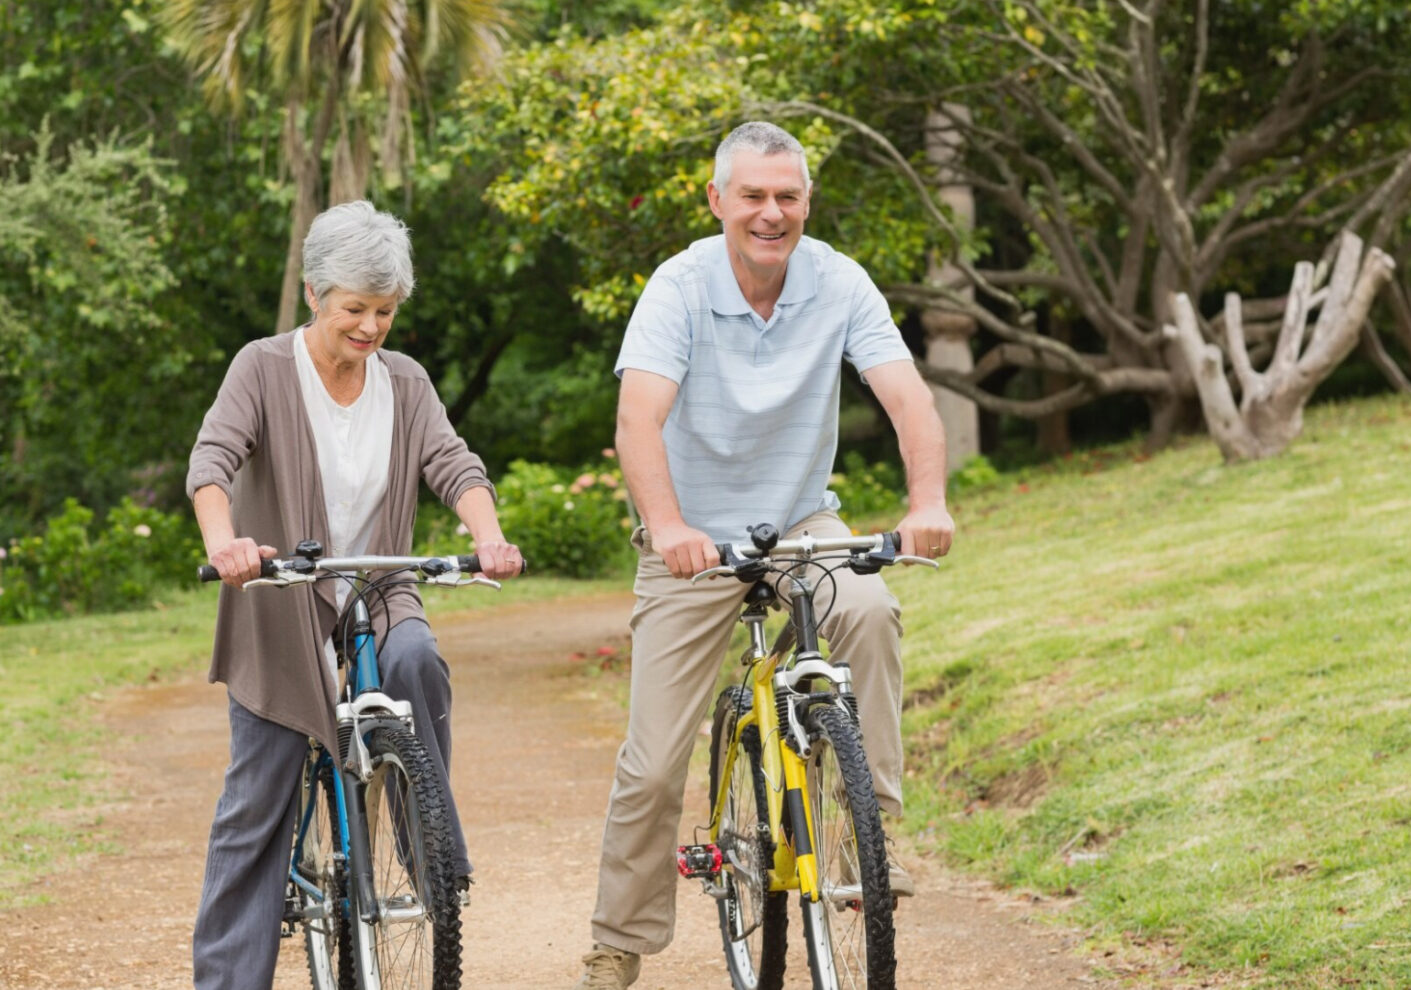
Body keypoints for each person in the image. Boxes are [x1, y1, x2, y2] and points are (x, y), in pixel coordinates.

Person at [572, 121, 957, 989]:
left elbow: (908, 401)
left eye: (787, 196)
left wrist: (928, 503)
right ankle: (618, 940)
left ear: (807, 202)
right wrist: (668, 525)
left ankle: (863, 832)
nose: (770, 213)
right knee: (653, 760)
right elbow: (638, 421)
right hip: (692, 537)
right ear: (718, 200)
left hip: (800, 522)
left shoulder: (839, 280)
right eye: (752, 195)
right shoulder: (678, 287)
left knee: (870, 610)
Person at [186, 200, 523, 990]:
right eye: (355, 309)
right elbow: (213, 461)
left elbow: (453, 464)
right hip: (280, 594)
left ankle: (428, 847)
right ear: (314, 295)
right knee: (260, 795)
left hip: (377, 583)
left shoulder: (404, 380)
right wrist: (225, 543)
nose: (371, 327)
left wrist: (488, 535)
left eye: (385, 311)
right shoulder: (262, 367)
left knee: (417, 663)